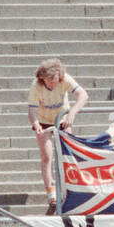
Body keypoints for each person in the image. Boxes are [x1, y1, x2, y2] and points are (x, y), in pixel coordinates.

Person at [28, 58, 88, 215]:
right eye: (48, 80)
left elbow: (83, 95)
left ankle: (71, 189)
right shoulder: (36, 86)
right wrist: (35, 123)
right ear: (43, 78)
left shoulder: (65, 79)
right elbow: (32, 110)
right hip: (44, 120)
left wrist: (72, 113)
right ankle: (51, 195)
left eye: (54, 80)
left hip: (62, 117)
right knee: (47, 156)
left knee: (68, 152)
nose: (52, 84)